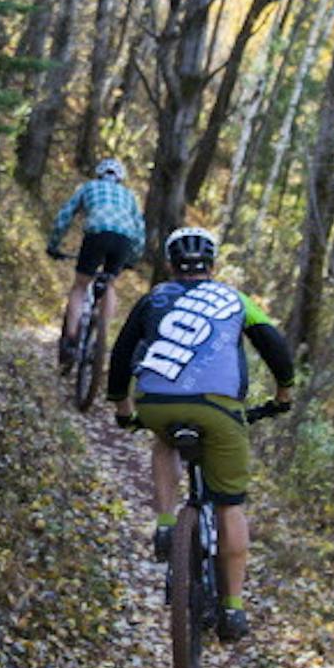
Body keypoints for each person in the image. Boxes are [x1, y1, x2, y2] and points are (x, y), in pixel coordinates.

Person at [106, 226, 294, 642]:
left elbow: (121, 354)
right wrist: (283, 394)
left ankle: (167, 522)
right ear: (213, 265)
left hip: (156, 402)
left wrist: (123, 408)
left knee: (163, 441)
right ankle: (233, 608)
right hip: (219, 409)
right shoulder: (235, 299)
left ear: (171, 265)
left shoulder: (153, 298)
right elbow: (274, 346)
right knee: (230, 507)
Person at [45, 158, 145, 371]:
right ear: (120, 178)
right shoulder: (128, 196)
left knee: (81, 285)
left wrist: (53, 245)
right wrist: (133, 259)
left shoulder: (88, 187)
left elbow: (65, 216)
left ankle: (70, 339)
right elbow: (139, 229)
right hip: (124, 240)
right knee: (109, 284)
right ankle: (101, 337)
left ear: (99, 174)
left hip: (97, 234)